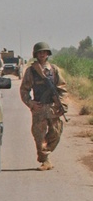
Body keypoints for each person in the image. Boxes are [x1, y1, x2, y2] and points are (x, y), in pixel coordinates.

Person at [19, 41, 68, 170]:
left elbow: (62, 88)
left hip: (52, 107)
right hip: (39, 108)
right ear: (36, 54)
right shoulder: (31, 71)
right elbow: (24, 90)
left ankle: (46, 152)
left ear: (47, 54)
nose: (42, 54)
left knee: (56, 133)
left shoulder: (54, 70)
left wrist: (61, 104)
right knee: (39, 135)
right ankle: (45, 160)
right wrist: (31, 103)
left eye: (44, 52)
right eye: (40, 52)